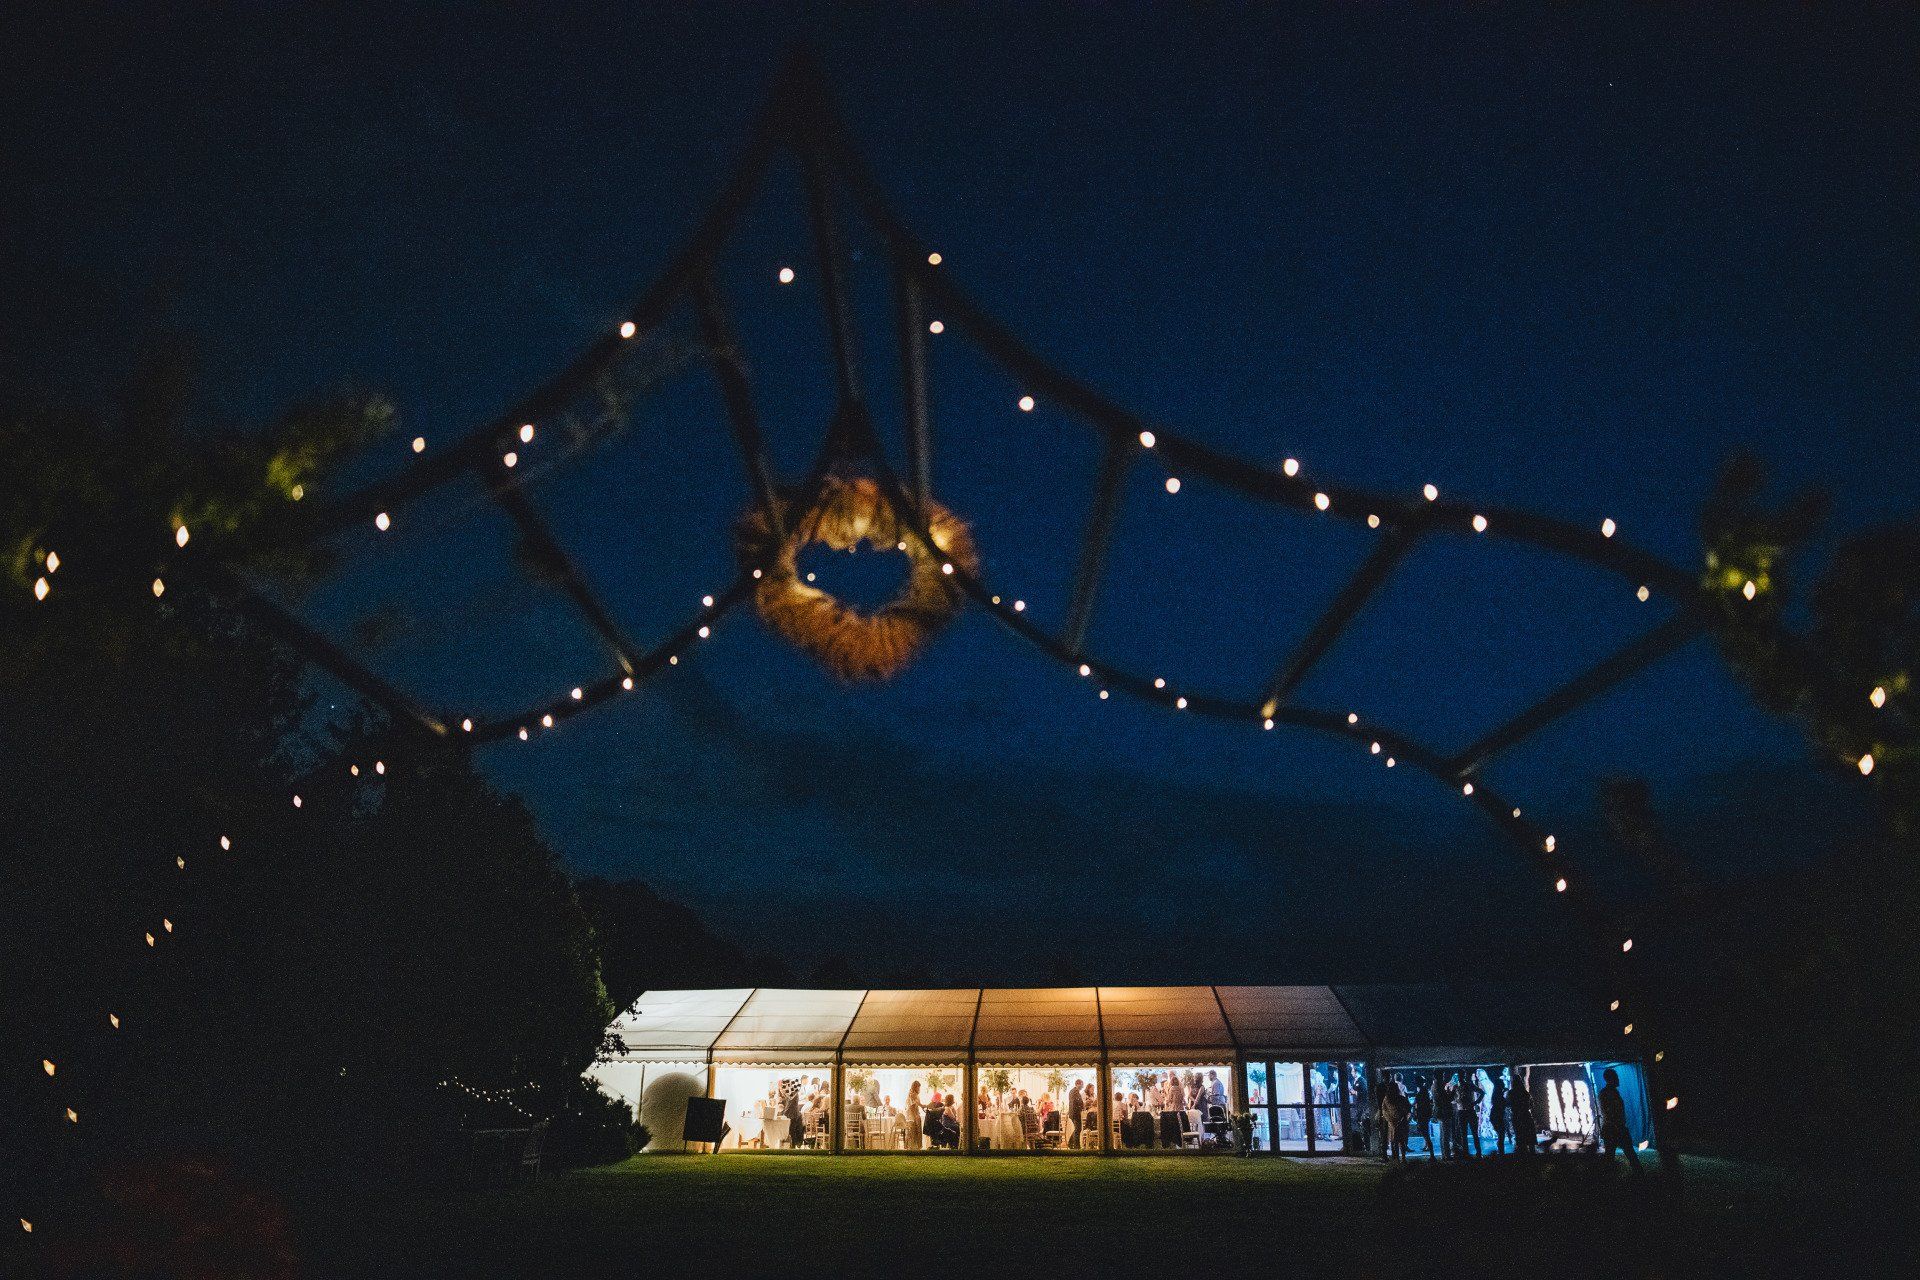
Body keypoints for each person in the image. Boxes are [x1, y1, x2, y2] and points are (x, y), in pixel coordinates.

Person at [1597, 1068, 1641, 1173]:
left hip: (1614, 1128)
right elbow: (1608, 1112)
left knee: (1612, 1155)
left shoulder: (1610, 1092)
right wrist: (1618, 1126)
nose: (1618, 1079)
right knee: (1625, 1153)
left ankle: (1610, 1178)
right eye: (1616, 1077)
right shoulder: (1607, 1093)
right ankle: (1638, 1175)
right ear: (1611, 1079)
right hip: (1614, 1128)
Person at [1378, 1076, 1409, 1162]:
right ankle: (1402, 1158)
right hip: (1400, 1122)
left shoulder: (1386, 1099)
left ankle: (1396, 1157)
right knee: (1401, 1141)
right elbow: (1407, 1109)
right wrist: (1402, 1118)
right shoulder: (1401, 1098)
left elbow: (1384, 1110)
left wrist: (1390, 1120)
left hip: (1392, 1123)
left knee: (1394, 1140)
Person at [1507, 1068, 1534, 1157]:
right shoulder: (1525, 1093)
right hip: (1526, 1115)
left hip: (1516, 1116)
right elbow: (1531, 1105)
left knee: (1519, 1134)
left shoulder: (1511, 1093)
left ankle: (1521, 1156)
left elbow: (1508, 1104)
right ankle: (1532, 1157)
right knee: (1528, 1134)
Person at [1411, 1074, 1437, 1159]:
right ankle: (1431, 1153)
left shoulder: (1423, 1091)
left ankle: (1432, 1155)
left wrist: (1413, 1109)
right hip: (1424, 1115)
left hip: (1423, 1115)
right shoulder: (1424, 1090)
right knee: (1425, 1133)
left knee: (1425, 1134)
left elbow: (1417, 1103)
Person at [1456, 1071, 1482, 1158]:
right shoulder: (1456, 1087)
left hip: (1469, 1111)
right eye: (1460, 1076)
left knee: (1473, 1133)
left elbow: (1482, 1092)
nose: (1460, 1077)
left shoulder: (1469, 1085)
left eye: (1461, 1075)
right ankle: (1466, 1153)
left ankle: (1478, 1152)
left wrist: (1475, 1103)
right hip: (1462, 1111)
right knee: (1463, 1134)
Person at [1487, 1069, 1510, 1155]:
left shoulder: (1496, 1093)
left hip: (1495, 1115)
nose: (1504, 1084)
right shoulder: (1498, 1095)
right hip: (1497, 1116)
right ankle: (1501, 1152)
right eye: (1502, 1084)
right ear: (1500, 1085)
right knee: (1501, 1134)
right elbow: (1505, 1104)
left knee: (1501, 1133)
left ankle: (1500, 1151)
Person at [905, 1079, 924, 1152]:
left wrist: (923, 1106)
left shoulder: (915, 1095)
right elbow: (912, 1106)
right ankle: (913, 1149)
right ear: (915, 1087)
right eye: (918, 1087)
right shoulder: (912, 1094)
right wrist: (915, 1116)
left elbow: (918, 1104)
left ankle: (915, 1148)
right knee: (913, 1132)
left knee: (916, 1132)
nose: (919, 1089)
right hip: (912, 1115)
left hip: (915, 1114)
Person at [1067, 1079, 1085, 1149]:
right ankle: (1076, 1146)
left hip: (1075, 1113)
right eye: (1082, 1084)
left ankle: (1071, 1144)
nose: (1082, 1086)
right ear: (1078, 1084)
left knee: (1077, 1129)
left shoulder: (1074, 1091)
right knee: (1078, 1129)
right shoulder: (1074, 1092)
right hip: (1075, 1113)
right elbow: (1075, 1102)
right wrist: (1083, 1105)